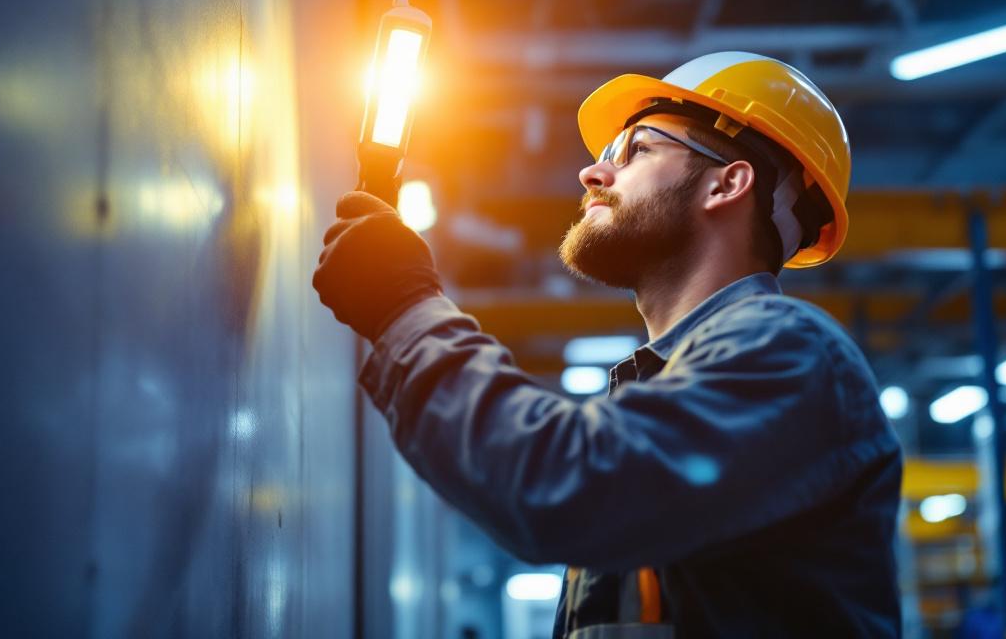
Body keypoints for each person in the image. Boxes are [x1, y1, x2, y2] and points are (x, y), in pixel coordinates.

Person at [313, 51, 903, 637]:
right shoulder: (670, 385)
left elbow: (560, 485)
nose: (592, 175)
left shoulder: (790, 355)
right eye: (603, 157)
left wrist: (407, 308)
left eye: (636, 150)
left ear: (727, 183)